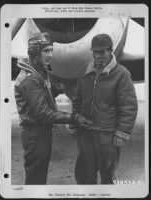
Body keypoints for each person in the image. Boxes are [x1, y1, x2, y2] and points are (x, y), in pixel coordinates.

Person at [14, 32, 92, 185]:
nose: (50, 55)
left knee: (39, 173)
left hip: (40, 133)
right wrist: (74, 117)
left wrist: (59, 87)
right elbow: (44, 114)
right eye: (46, 51)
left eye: (51, 50)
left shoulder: (39, 72)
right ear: (35, 53)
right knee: (36, 178)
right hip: (35, 135)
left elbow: (41, 94)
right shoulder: (30, 80)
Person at [72, 33, 138, 184]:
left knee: (108, 178)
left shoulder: (121, 74)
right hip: (86, 135)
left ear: (110, 51)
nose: (98, 56)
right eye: (95, 52)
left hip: (107, 136)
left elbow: (128, 106)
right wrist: (74, 122)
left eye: (102, 52)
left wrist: (122, 133)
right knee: (84, 177)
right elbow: (77, 100)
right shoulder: (85, 72)